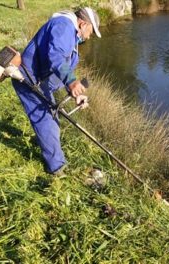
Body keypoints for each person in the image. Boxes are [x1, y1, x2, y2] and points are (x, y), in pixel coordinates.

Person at [11, 7, 101, 174]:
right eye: (91, 32)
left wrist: (75, 91)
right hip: (29, 79)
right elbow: (56, 57)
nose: (89, 37)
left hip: (39, 81)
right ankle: (57, 169)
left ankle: (49, 149)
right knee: (46, 120)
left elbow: (61, 65)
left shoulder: (70, 33)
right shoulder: (64, 26)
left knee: (51, 118)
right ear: (83, 24)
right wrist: (72, 81)